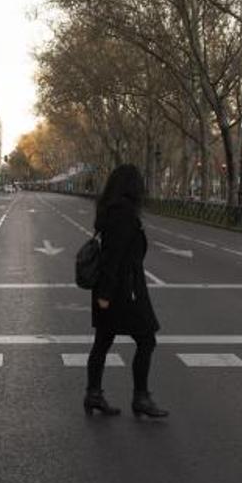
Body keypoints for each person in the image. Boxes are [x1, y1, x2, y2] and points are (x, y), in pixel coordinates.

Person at [85, 163, 168, 418]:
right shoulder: (123, 214)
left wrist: (103, 292)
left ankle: (94, 394)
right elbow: (114, 256)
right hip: (124, 289)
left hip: (115, 287)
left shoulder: (110, 209)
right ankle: (140, 397)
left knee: (103, 341)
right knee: (146, 339)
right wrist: (106, 294)